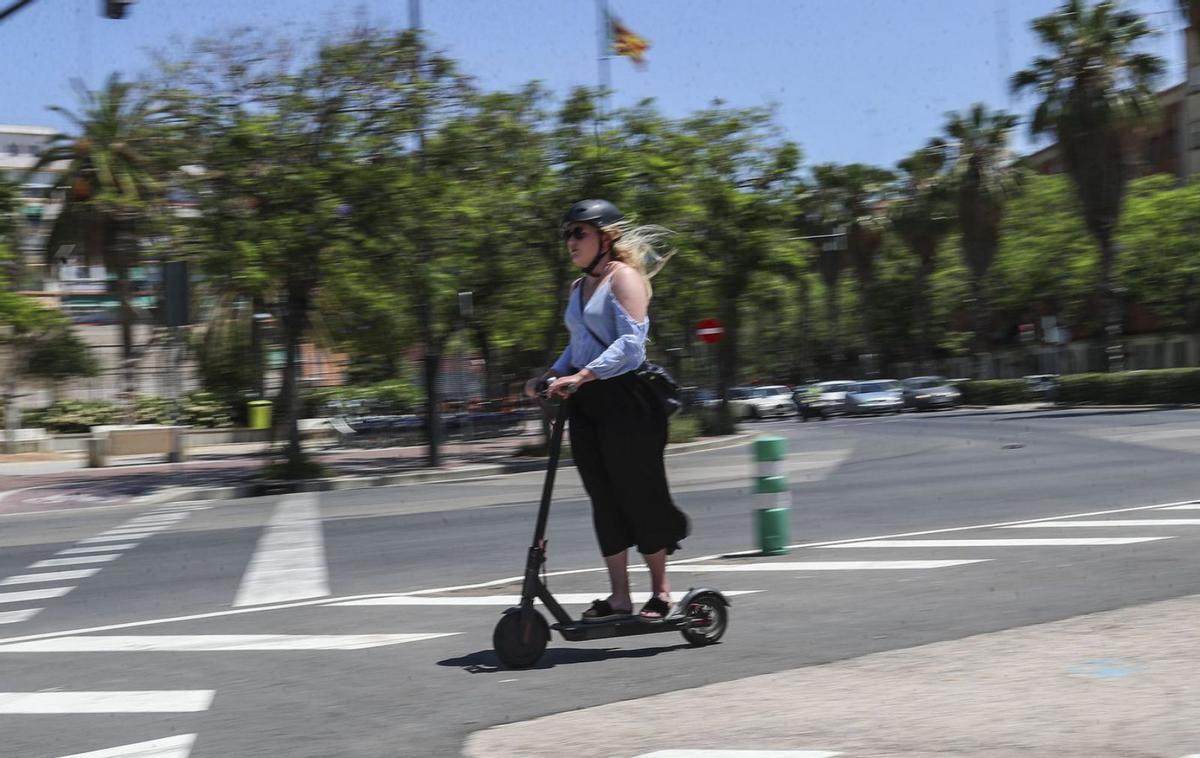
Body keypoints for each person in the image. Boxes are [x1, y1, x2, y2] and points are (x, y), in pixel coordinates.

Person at [523, 199, 688, 622]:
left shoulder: (624, 277)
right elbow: (577, 344)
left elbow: (631, 346)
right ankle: (619, 597)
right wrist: (551, 374)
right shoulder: (579, 289)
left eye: (580, 232)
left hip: (627, 400)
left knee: (639, 492)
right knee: (603, 497)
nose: (571, 241)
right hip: (589, 402)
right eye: (567, 234)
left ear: (606, 236)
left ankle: (662, 593)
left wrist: (581, 376)